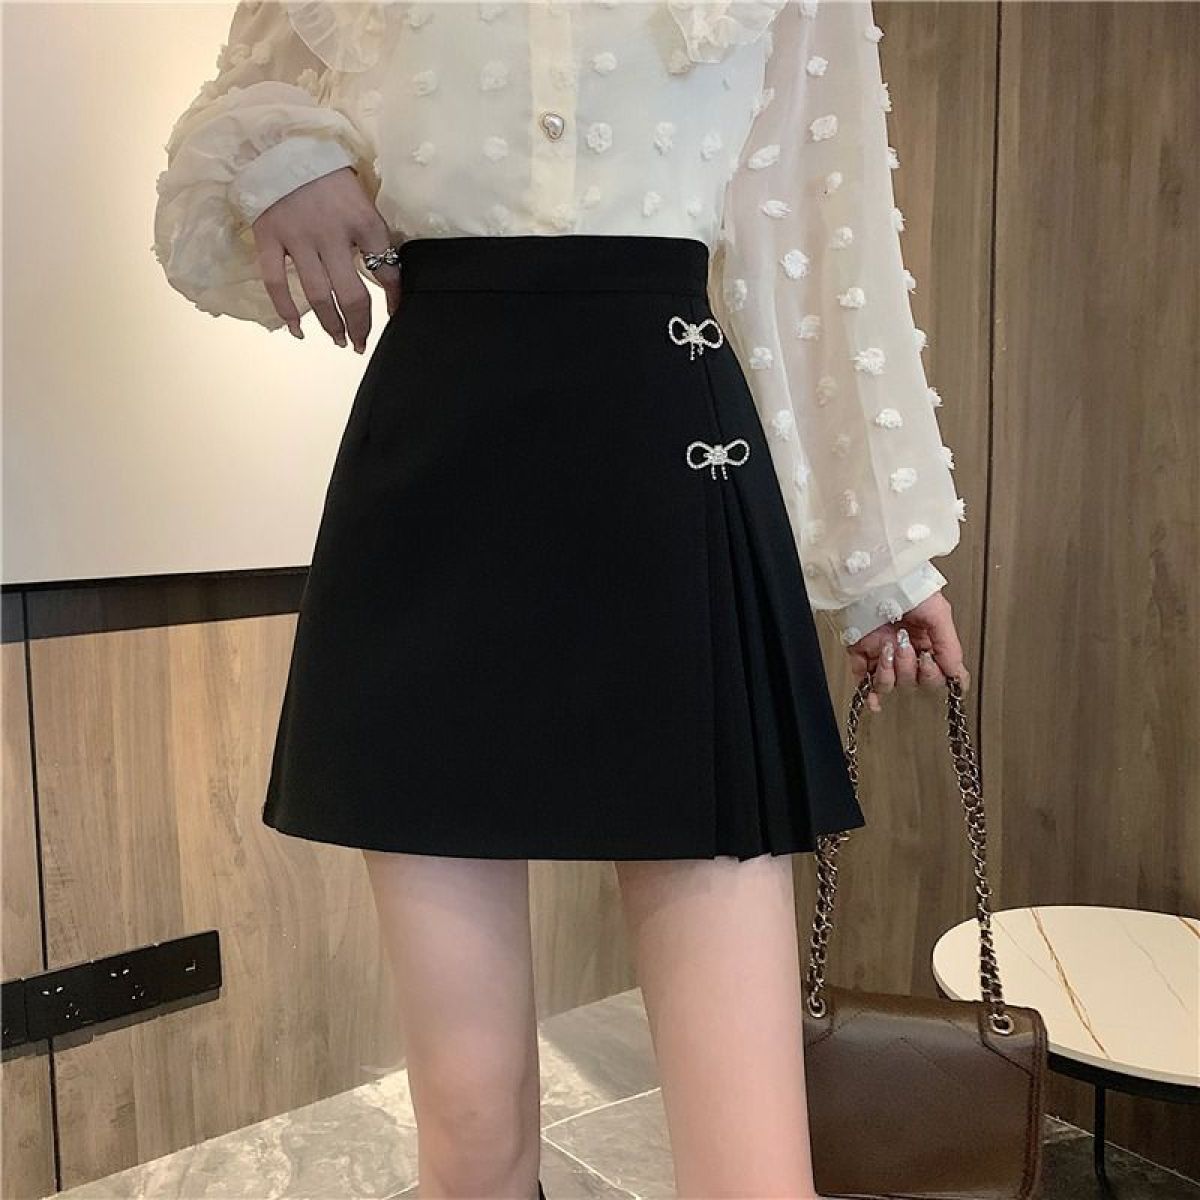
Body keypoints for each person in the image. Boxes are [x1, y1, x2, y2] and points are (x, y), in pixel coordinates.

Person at [153, 2, 970, 1197]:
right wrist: (283, 160)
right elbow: (225, 135)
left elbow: (819, 221)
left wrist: (883, 558)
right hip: (437, 471)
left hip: (672, 461)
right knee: (471, 1141)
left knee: (752, 1170)